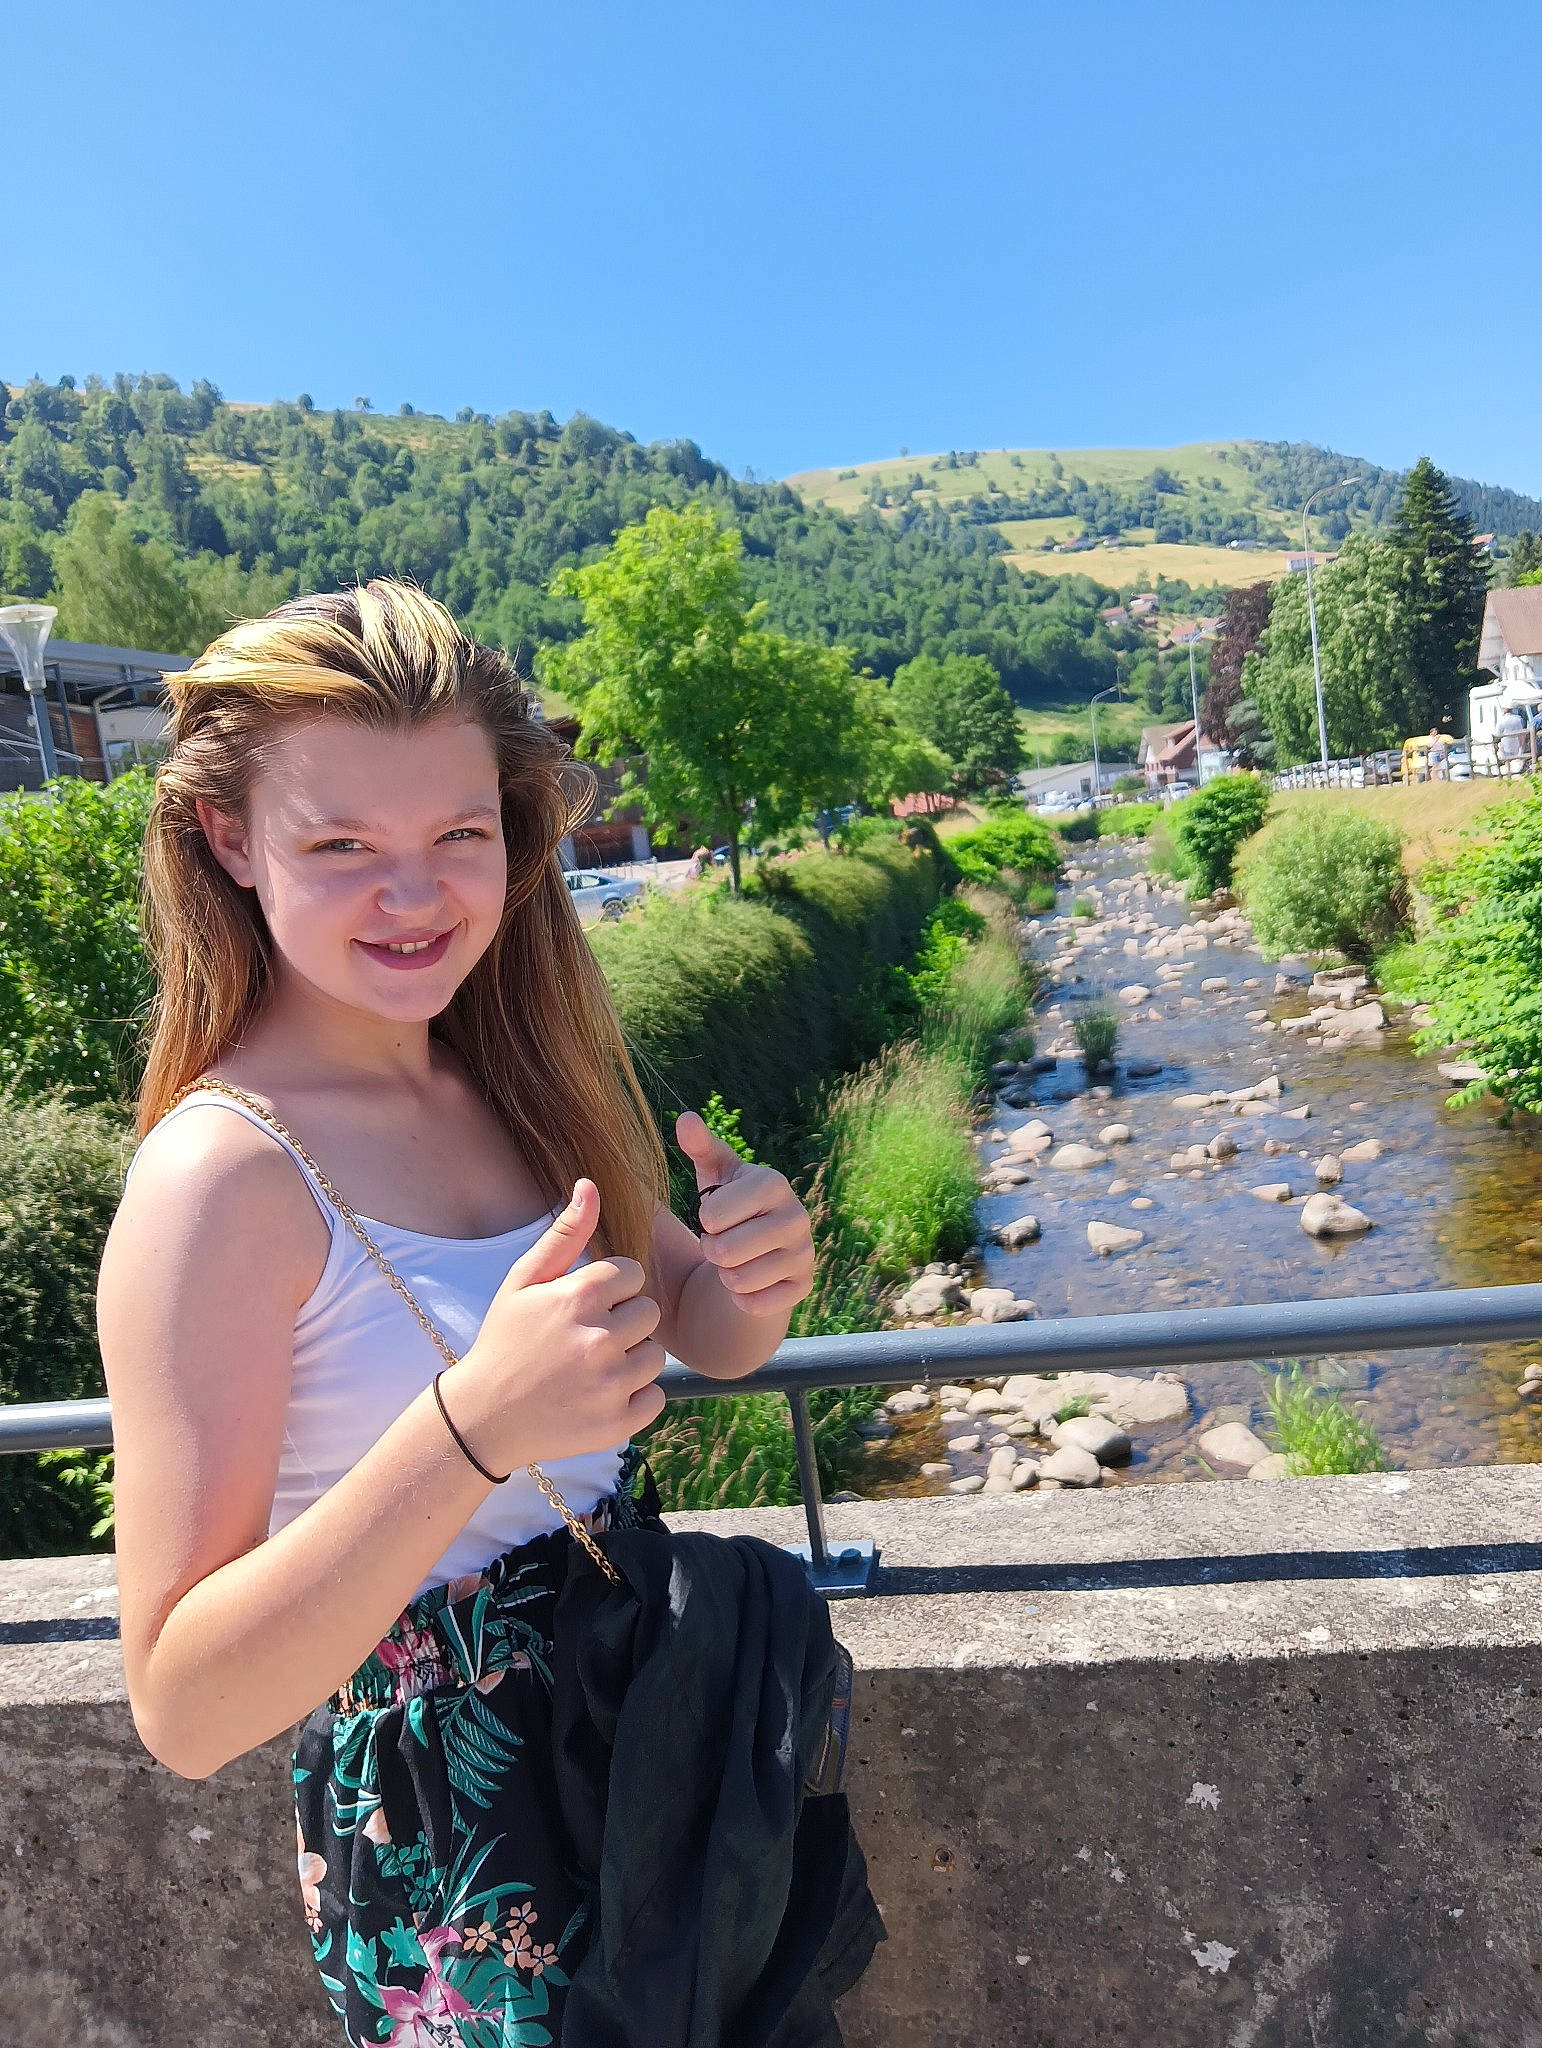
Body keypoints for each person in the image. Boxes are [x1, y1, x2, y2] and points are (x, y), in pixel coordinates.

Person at [98, 582, 853, 2041]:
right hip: (461, 1846)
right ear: (229, 840)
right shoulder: (220, 1177)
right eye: (341, 847)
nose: (417, 894)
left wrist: (756, 1267)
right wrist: (473, 1425)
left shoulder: (514, 1072)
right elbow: (182, 1709)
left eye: (460, 836)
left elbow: (707, 1334)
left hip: (642, 1749)